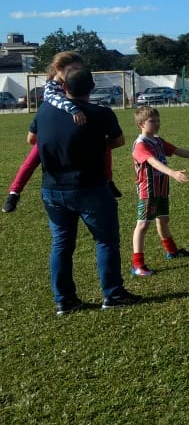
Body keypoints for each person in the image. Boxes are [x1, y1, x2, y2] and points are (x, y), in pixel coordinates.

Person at [34, 66, 139, 315]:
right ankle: (112, 294)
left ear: (65, 88)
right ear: (92, 88)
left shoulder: (45, 110)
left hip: (52, 187)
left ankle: (64, 300)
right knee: (105, 241)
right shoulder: (101, 113)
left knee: (61, 243)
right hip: (90, 187)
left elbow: (32, 139)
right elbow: (118, 140)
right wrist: (92, 142)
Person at [3, 51, 120, 214]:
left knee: (103, 145)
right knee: (31, 161)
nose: (76, 73)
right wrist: (73, 109)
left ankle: (108, 181)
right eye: (73, 69)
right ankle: (14, 192)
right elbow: (55, 100)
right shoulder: (51, 85)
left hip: (69, 128)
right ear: (59, 68)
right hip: (54, 130)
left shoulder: (71, 83)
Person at [128, 105, 189, 277]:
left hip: (162, 188)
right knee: (142, 225)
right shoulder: (141, 144)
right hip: (148, 191)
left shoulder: (157, 141)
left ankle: (172, 251)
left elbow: (179, 151)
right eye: (152, 121)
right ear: (141, 124)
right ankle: (138, 264)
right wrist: (172, 172)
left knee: (163, 219)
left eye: (158, 120)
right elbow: (151, 161)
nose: (156, 123)